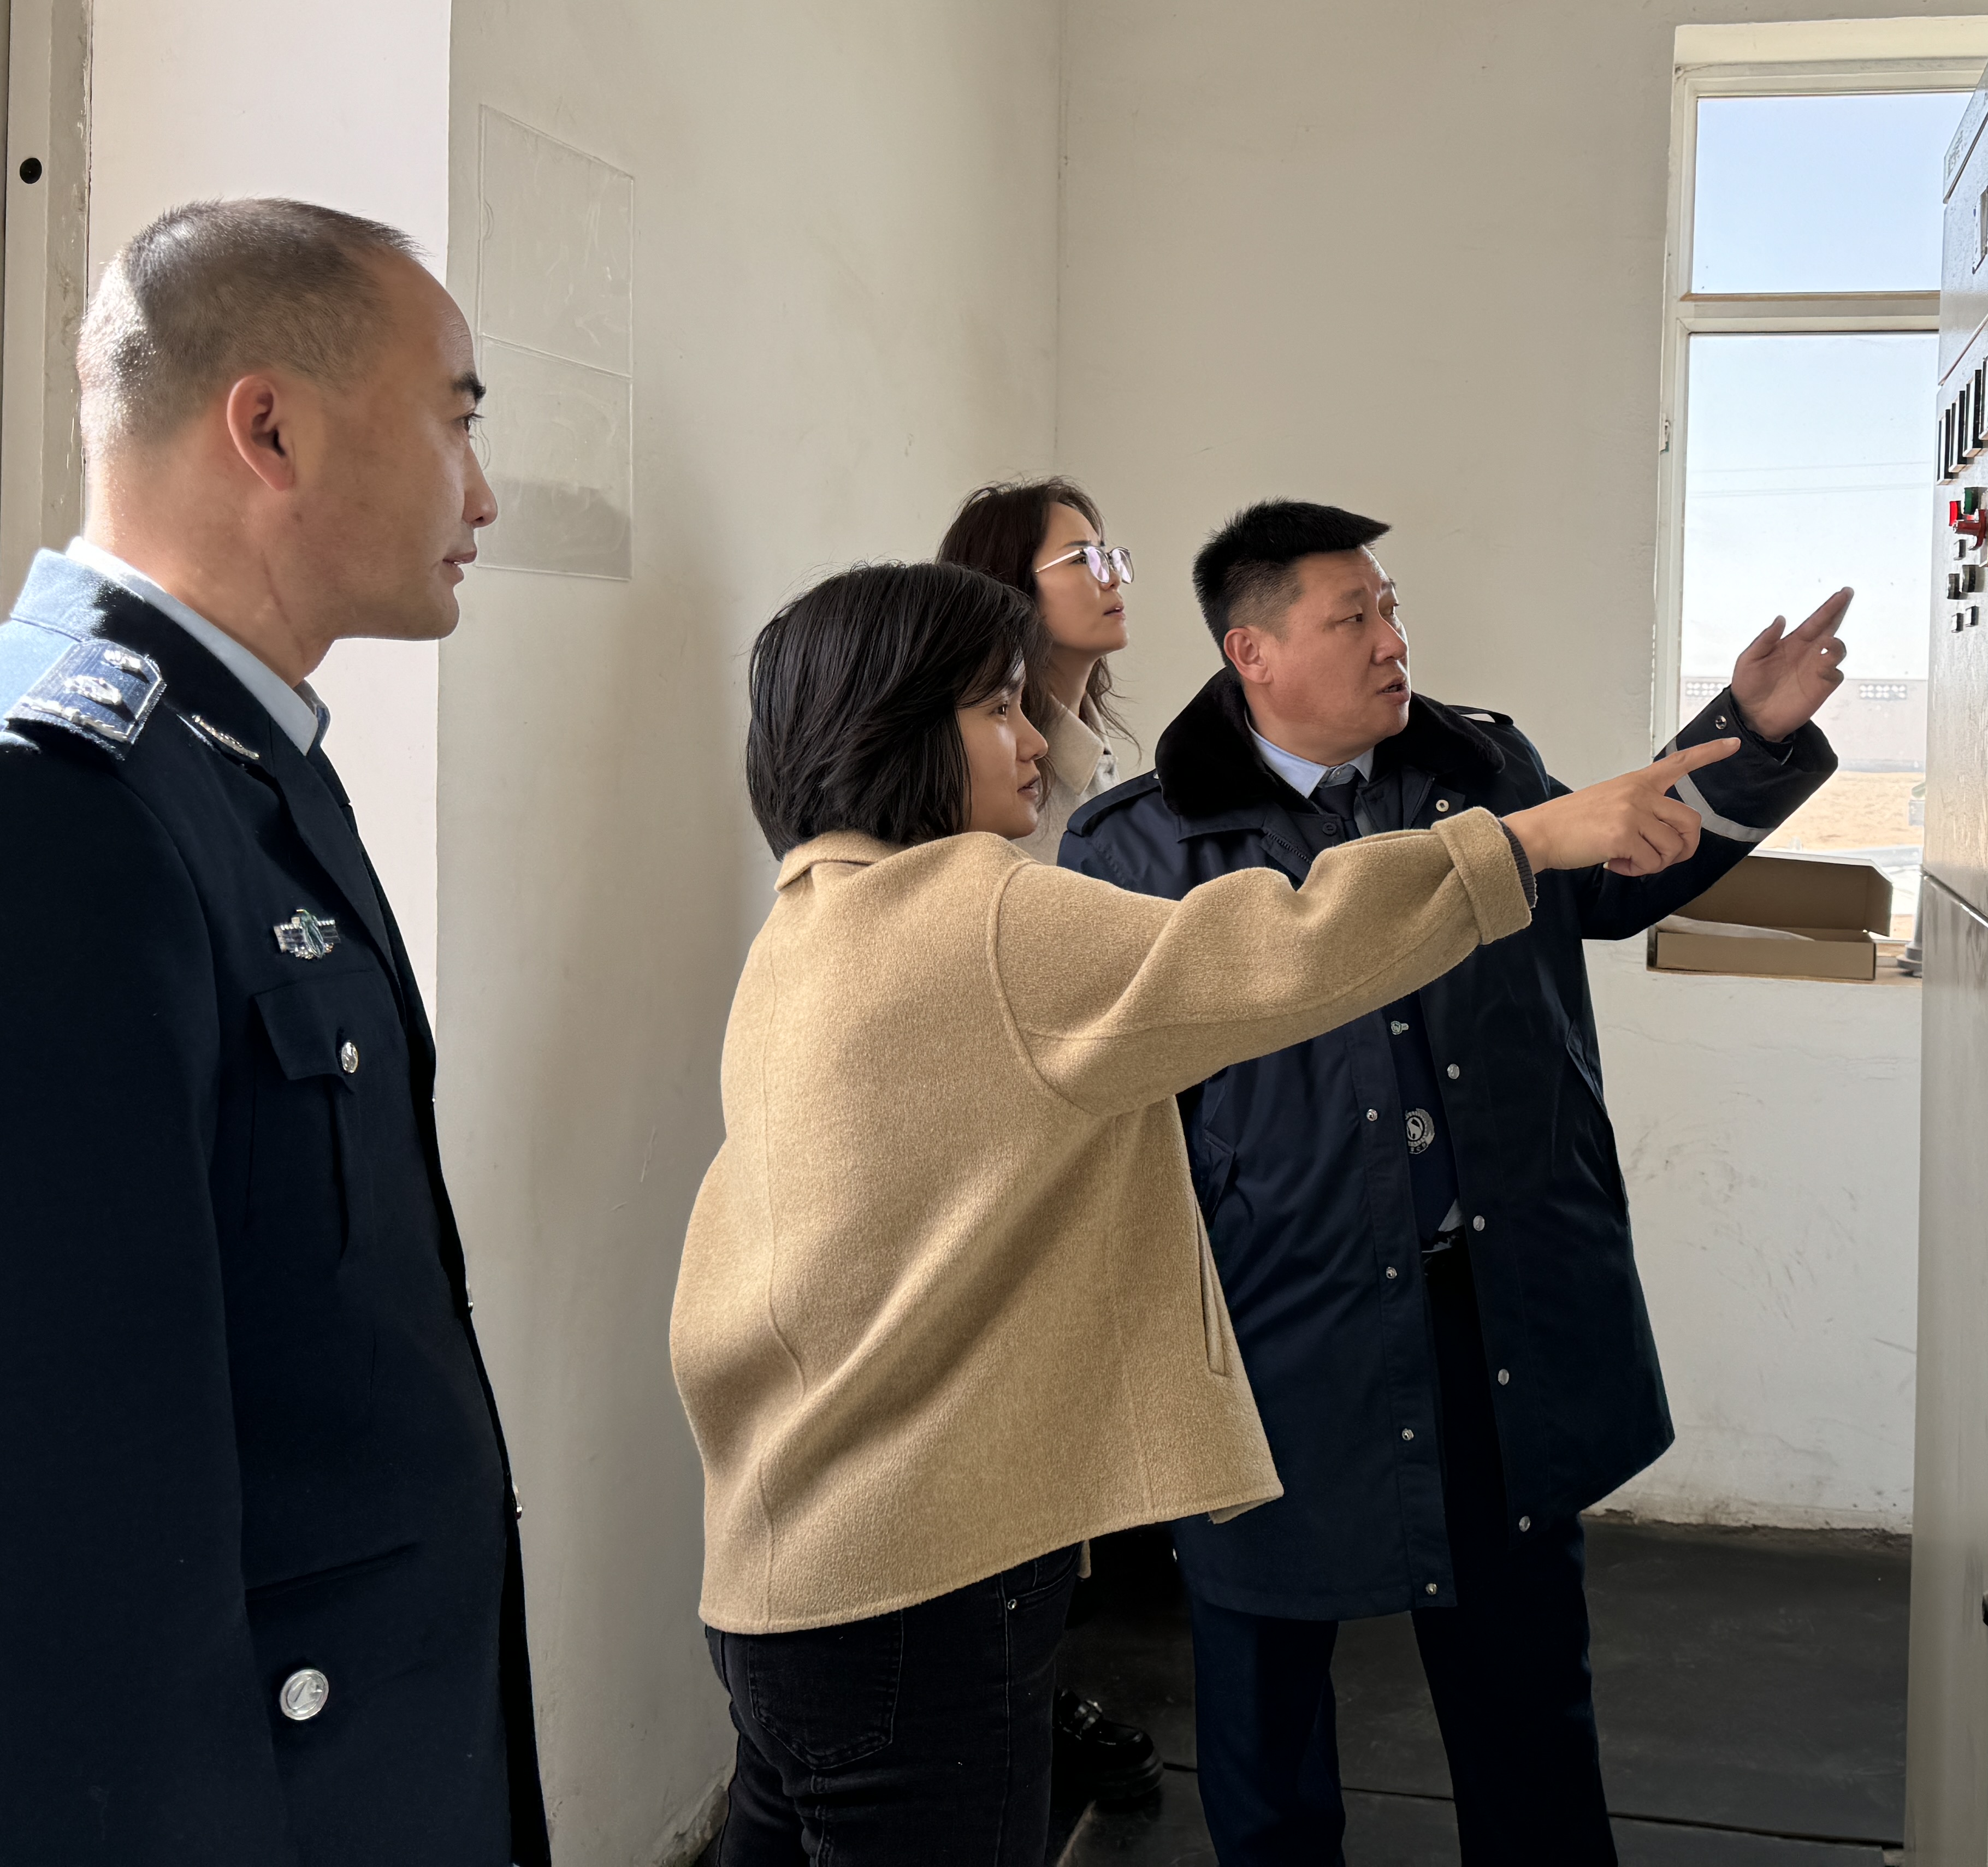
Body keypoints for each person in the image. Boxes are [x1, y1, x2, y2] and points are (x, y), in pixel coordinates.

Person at [669, 559, 1733, 1866]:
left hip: (781, 1575)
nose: (1035, 739)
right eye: (998, 708)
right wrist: (1522, 843)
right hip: (920, 1587)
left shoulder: (807, 924)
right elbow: (1279, 946)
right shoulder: (984, 921)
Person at [0, 200, 543, 1863]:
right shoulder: (8, 813)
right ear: (270, 427)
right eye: (456, 419)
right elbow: (48, 1568)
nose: (483, 494)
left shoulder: (232, 771)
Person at [1060, 500, 1852, 1867]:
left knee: (1528, 1702)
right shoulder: (1134, 846)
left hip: (1492, 1313)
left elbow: (1614, 874)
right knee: (1264, 1723)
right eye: (1353, 617)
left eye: (1392, 607)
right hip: (1270, 1329)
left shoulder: (1483, 768)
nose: (1392, 640)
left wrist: (1755, 733)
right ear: (1253, 652)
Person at [934, 477, 1164, 1804]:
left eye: (1112, 550)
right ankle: (1013, 1704)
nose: (1113, 573)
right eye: (1082, 557)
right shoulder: (982, 767)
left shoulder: (1088, 752)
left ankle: (1033, 1687)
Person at [935, 478, 1133, 864]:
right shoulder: (991, 779)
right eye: (1083, 559)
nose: (1112, 578)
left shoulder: (1095, 746)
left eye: (1107, 557)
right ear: (1010, 585)